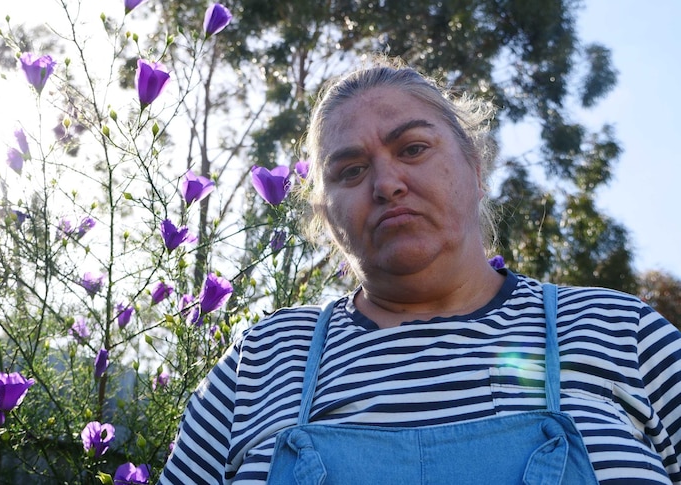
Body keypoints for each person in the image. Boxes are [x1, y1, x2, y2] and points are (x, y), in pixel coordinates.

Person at [158, 58, 681, 484]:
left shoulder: (619, 332)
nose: (386, 183)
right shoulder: (258, 364)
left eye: (412, 148)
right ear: (326, 215)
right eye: (351, 170)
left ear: (475, 167)